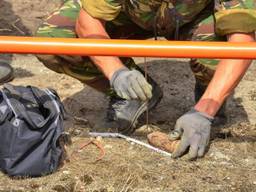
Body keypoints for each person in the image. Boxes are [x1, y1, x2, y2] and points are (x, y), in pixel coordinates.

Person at [35, 0, 256, 159]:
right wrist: (116, 72)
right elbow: (89, 19)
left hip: (194, 19)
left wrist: (205, 110)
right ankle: (134, 93)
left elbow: (242, 39)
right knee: (54, 40)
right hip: (129, 17)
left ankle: (208, 101)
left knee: (218, 55)